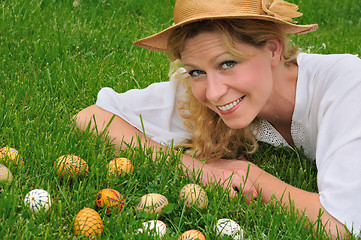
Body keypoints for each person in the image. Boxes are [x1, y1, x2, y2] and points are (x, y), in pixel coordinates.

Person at [74, 0, 361, 238]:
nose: (213, 93)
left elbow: (340, 225)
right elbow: (91, 118)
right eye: (196, 71)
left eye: (228, 63)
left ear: (273, 49)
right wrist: (196, 168)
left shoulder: (347, 84)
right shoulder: (204, 96)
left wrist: (252, 176)